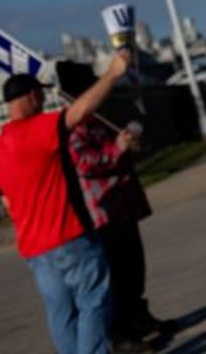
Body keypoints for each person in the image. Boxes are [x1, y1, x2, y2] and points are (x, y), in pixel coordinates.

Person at [0, 52, 130, 354]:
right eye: (38, 94)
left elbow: (8, 202)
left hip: (35, 251)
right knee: (93, 302)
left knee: (61, 314)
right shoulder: (39, 129)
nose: (41, 100)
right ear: (32, 96)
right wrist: (113, 73)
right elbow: (81, 110)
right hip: (69, 237)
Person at [56, 61, 174, 349]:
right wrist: (116, 149)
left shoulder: (95, 119)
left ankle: (139, 318)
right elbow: (85, 163)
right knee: (117, 273)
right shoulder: (71, 125)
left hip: (122, 206)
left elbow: (112, 153)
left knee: (134, 266)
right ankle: (121, 334)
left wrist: (126, 147)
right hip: (103, 212)